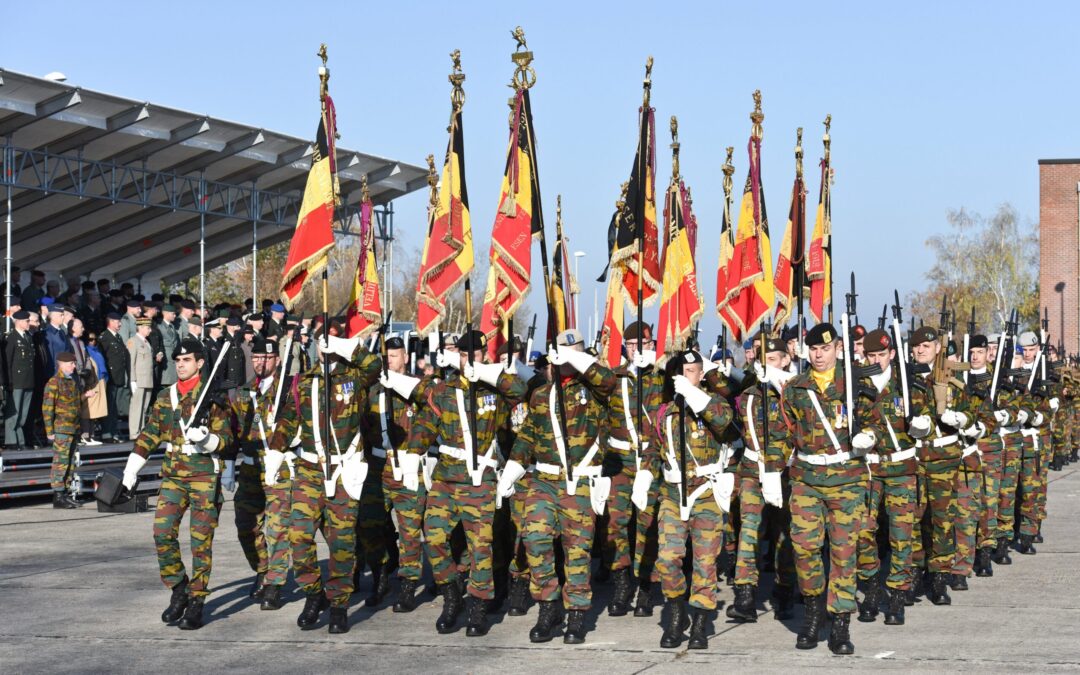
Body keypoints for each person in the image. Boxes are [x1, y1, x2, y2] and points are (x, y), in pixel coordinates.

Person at [498, 329, 617, 644]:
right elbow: (527, 436)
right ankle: (547, 605)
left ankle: (577, 614)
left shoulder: (594, 389)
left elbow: (608, 380)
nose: (565, 356)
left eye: (573, 350)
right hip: (545, 480)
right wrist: (511, 470)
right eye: (562, 351)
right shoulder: (541, 394)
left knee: (576, 550)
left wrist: (576, 358)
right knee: (534, 537)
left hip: (579, 482)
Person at [407, 330, 526, 637]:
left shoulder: (494, 387)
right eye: (464, 354)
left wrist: (485, 372)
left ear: (483, 353)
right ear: (456, 355)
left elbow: (520, 389)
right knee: (433, 538)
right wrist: (411, 456)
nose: (469, 358)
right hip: (447, 478)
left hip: (480, 479)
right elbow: (424, 426)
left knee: (480, 548)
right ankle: (450, 597)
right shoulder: (444, 390)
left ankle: (477, 606)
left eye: (475, 353)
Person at [768, 322, 877, 655]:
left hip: (847, 478)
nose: (819, 355)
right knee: (804, 548)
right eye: (813, 349)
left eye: (825, 349)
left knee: (844, 553)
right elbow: (781, 433)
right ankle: (813, 611)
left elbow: (876, 422)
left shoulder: (857, 382)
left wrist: (869, 437)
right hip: (806, 480)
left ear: (837, 348)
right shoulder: (796, 387)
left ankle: (840, 623)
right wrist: (772, 472)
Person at [267, 330, 380, 634]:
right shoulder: (305, 380)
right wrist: (275, 452)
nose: (324, 347)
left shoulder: (353, 377)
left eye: (330, 341)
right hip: (309, 469)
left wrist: (346, 346)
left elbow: (374, 365)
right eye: (321, 342)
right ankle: (313, 593)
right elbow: (290, 419)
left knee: (342, 541)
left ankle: (339, 603)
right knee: (299, 535)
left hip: (344, 470)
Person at [120, 337, 236, 630]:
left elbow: (228, 441)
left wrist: (207, 439)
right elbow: (149, 435)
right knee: (162, 533)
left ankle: (197, 601)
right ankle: (179, 588)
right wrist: (131, 469)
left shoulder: (213, 395)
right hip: (173, 476)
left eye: (187, 360)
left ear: (199, 363)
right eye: (178, 361)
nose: (181, 365)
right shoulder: (165, 396)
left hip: (203, 478)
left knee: (200, 543)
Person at [637, 349, 733, 650]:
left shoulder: (713, 402)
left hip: (705, 491)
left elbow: (723, 422)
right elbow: (653, 449)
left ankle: (701, 622)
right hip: (672, 492)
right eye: (681, 370)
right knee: (667, 559)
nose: (686, 374)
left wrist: (693, 393)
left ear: (701, 374)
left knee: (705, 562)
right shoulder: (664, 410)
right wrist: (644, 477)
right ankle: (677, 611)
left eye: (692, 370)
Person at [855, 328, 929, 625]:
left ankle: (897, 595)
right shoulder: (856, 384)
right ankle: (872, 587)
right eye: (870, 355)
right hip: (869, 468)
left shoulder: (909, 384)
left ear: (892, 354)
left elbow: (927, 418)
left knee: (902, 535)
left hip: (900, 467)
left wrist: (922, 425)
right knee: (863, 531)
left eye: (881, 355)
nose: (876, 360)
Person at [728, 335, 797, 623]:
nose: (766, 365)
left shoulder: (795, 393)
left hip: (786, 473)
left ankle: (784, 590)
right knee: (749, 529)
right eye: (762, 359)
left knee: (785, 534)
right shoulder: (749, 395)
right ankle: (745, 595)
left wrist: (779, 466)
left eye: (773, 360)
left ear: (785, 360)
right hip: (752, 471)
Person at [366, 336, 435, 612]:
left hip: (408, 467)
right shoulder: (374, 389)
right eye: (387, 356)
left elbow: (430, 402)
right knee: (372, 525)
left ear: (406, 358)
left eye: (395, 356)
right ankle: (381, 572)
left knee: (410, 530)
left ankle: (407, 584)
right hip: (378, 466)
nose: (390, 360)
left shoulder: (418, 387)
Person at [602, 321, 665, 618]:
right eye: (631, 345)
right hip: (620, 462)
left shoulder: (660, 377)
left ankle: (646, 586)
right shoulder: (614, 378)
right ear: (624, 348)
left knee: (647, 526)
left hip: (650, 462)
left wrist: (657, 364)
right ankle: (621, 582)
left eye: (645, 343)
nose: (638, 349)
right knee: (616, 524)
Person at [229, 336, 293, 610]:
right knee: (246, 525)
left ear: (277, 360)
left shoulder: (289, 389)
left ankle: (275, 584)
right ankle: (262, 569)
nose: (260, 362)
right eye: (255, 357)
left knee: (277, 528)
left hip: (278, 468)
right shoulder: (246, 393)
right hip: (252, 467)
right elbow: (235, 430)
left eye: (265, 358)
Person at [44, 351, 93, 508]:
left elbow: (76, 402)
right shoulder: (54, 382)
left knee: (70, 463)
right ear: (62, 364)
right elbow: (47, 408)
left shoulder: (72, 381)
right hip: (61, 429)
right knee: (61, 463)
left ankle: (64, 493)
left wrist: (86, 395)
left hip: (73, 428)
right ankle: (58, 495)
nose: (74, 366)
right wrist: (49, 431)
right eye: (71, 364)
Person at [4, 310, 36, 449]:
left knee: (23, 414)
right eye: (26, 321)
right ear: (18, 321)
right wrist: (9, 381)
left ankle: (20, 441)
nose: (29, 323)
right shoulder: (11, 338)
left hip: (28, 380)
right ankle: (11, 441)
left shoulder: (28, 337)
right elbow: (8, 361)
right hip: (16, 381)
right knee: (14, 413)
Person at [128, 317, 155, 438]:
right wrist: (132, 380)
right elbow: (131, 362)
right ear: (141, 327)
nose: (150, 330)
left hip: (147, 379)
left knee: (144, 407)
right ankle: (134, 432)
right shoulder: (133, 341)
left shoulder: (146, 342)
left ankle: (141, 429)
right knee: (136, 407)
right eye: (148, 328)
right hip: (139, 380)